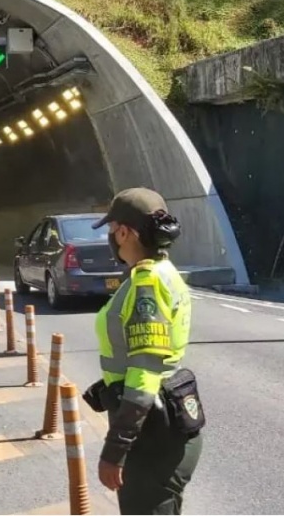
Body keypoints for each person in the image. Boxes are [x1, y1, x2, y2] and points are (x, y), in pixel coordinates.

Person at [83, 187, 206, 515]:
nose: (111, 237)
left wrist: (115, 450)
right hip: (165, 427)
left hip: (151, 439)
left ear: (124, 232)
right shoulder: (163, 272)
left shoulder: (147, 285)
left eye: (112, 230)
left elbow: (144, 376)